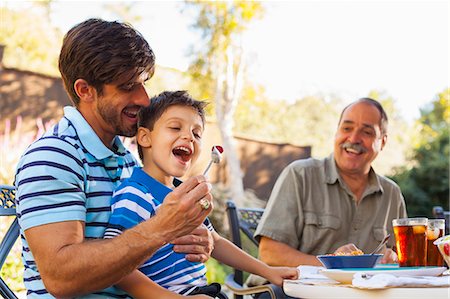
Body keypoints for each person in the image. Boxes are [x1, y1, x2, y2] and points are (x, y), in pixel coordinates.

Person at [15, 19, 214, 299]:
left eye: (144, 84)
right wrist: (161, 228)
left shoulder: (129, 161)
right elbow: (61, 277)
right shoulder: (53, 157)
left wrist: (192, 240)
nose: (145, 99)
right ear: (85, 90)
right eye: (127, 86)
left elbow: (139, 246)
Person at [104, 90, 299, 298]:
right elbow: (117, 267)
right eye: (175, 127)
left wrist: (269, 271)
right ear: (144, 137)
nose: (189, 136)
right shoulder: (135, 193)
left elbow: (217, 243)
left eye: (197, 134)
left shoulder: (186, 194)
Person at [252, 98, 407, 274]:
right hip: (291, 291)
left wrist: (392, 258)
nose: (354, 138)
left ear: (383, 142)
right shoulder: (300, 175)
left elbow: (401, 256)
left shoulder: (392, 194)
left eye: (367, 132)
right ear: (336, 132)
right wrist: (333, 265)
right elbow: (270, 254)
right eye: (347, 128)